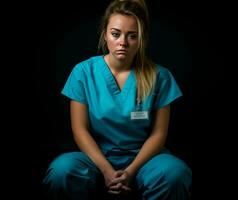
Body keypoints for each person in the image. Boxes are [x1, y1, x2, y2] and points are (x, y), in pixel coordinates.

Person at [42, 0, 192, 199]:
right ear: (105, 35)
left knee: (174, 173)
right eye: (116, 34)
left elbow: (158, 134)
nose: (123, 42)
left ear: (141, 39)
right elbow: (80, 130)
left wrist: (130, 171)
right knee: (62, 170)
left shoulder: (159, 76)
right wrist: (106, 170)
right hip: (96, 156)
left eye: (132, 36)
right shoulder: (84, 72)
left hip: (145, 159)